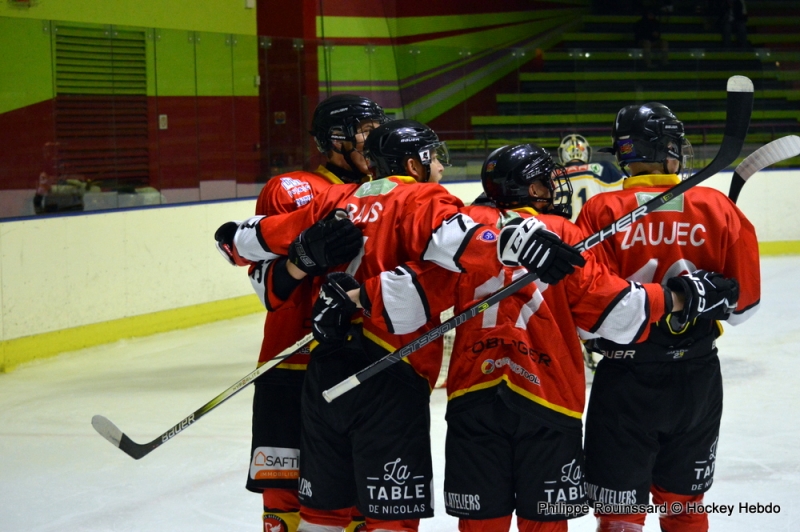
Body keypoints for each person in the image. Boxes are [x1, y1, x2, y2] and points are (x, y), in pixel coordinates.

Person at [339, 144, 739, 532]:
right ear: (531, 189)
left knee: (482, 523)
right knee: (543, 523)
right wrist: (678, 297)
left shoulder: (467, 231)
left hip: (472, 395)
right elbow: (614, 314)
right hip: (549, 398)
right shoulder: (564, 232)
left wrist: (352, 298)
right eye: (547, 180)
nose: (554, 187)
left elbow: (411, 294)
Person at [219, 120, 588, 532]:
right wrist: (513, 243)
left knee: (321, 514)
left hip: (323, 372)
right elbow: (463, 242)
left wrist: (234, 241)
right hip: (389, 370)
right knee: (389, 518)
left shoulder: (338, 198)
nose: (442, 170)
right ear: (414, 164)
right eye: (436, 159)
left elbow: (256, 237)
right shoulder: (422, 198)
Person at [575, 102, 761, 532]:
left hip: (624, 381)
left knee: (620, 516)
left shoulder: (599, 213)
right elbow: (744, 305)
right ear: (667, 149)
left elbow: (586, 316)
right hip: (695, 381)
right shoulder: (716, 206)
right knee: (683, 505)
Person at [216, 94, 387, 532]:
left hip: (360, 363)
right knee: (286, 497)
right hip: (292, 364)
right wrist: (302, 259)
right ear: (336, 138)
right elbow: (268, 286)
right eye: (366, 130)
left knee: (357, 500)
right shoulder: (293, 189)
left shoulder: (389, 192)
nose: (377, 139)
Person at [557, 134, 623, 222]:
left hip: (562, 232)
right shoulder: (603, 169)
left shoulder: (552, 176)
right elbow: (621, 201)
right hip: (594, 232)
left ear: (562, 153)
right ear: (586, 152)